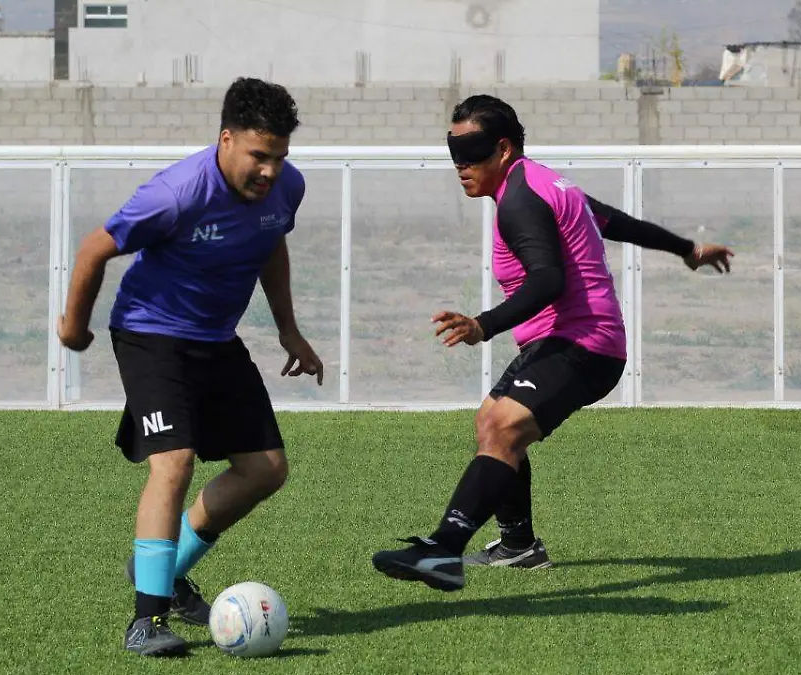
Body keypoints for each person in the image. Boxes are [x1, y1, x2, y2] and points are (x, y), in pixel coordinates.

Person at [370, 94, 735, 591]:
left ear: (502, 149)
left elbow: (547, 282)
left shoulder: (521, 200)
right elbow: (612, 221)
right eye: (453, 151)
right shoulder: (542, 182)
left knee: (501, 427)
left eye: (471, 151)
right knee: (492, 424)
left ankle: (442, 550)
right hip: (571, 340)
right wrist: (687, 249)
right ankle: (518, 546)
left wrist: (484, 323)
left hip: (583, 343)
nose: (460, 165)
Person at [56, 77, 324, 656]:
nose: (270, 171)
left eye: (279, 157)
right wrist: (74, 328)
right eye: (258, 156)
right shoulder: (175, 193)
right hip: (151, 335)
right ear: (225, 140)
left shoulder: (286, 189)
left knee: (266, 470)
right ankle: (145, 621)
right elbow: (94, 249)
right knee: (172, 462)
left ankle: (165, 570)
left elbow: (272, 243)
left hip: (216, 340)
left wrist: (287, 328)